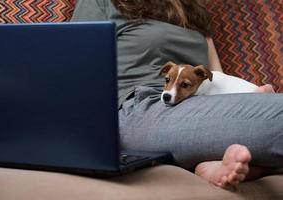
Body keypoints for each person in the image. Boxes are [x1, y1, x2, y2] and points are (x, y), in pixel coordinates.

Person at [71, 0, 283, 188]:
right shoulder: (102, 2)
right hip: (139, 107)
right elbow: (74, 66)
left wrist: (248, 96)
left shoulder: (192, 7)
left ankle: (210, 160)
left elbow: (217, 76)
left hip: (197, 102)